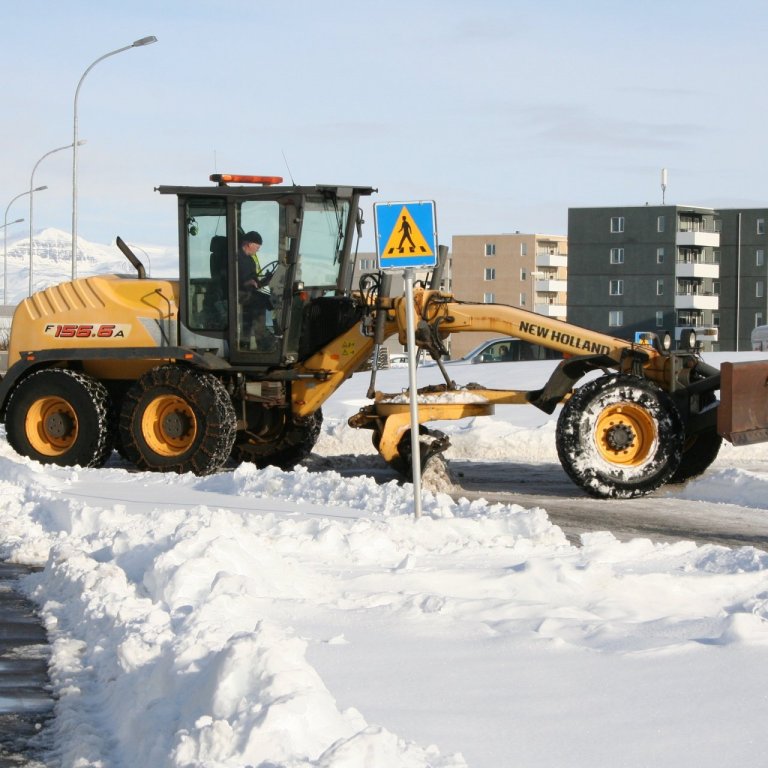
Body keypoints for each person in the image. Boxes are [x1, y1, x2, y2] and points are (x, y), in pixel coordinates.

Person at [237, 231, 274, 350]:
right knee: (259, 302)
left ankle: (251, 340)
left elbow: (255, 281)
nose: (257, 250)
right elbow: (229, 279)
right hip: (237, 292)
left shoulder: (250, 260)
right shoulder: (235, 258)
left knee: (266, 298)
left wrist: (267, 280)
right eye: (257, 247)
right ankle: (260, 341)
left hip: (248, 292)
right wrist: (246, 283)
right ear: (249, 244)